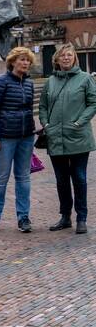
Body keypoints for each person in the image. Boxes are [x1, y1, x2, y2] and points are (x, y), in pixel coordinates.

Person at [39, 42, 96, 236]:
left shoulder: (85, 79)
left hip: (78, 137)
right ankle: (65, 217)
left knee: (79, 178)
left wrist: (80, 122)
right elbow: (43, 106)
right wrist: (46, 124)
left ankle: (82, 218)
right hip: (55, 137)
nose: (65, 58)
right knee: (61, 180)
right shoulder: (50, 82)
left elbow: (93, 103)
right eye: (62, 55)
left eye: (69, 55)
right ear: (56, 59)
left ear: (74, 58)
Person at [0, 45, 37, 233]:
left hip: (25, 137)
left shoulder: (29, 83)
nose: (25, 63)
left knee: (23, 178)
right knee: (1, 179)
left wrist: (32, 130)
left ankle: (23, 217)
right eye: (22, 59)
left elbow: (29, 110)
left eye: (28, 60)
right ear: (12, 62)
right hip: (5, 138)